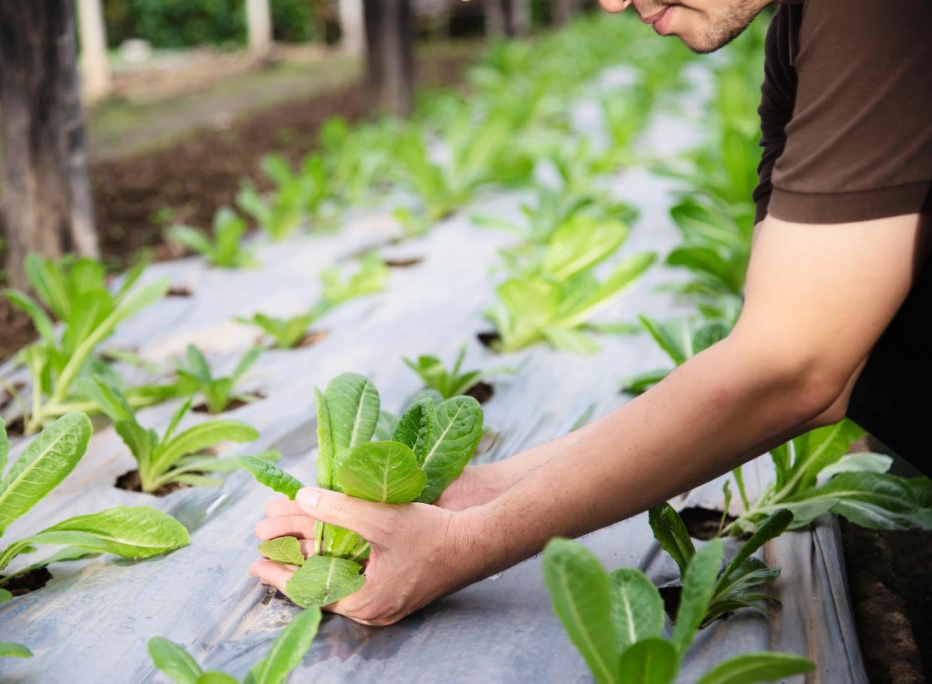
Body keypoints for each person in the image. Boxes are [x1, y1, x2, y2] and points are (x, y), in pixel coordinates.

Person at [251, 0, 932, 626]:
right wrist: (480, 493)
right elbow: (777, 345)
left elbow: (794, 371)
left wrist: (463, 547)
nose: (609, 2)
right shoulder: (802, 31)